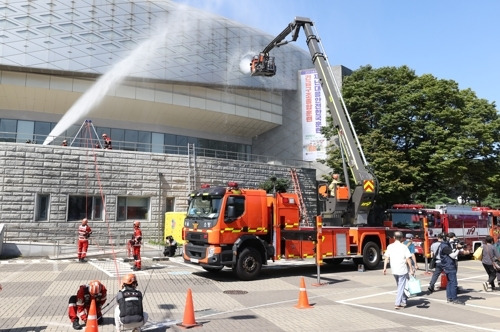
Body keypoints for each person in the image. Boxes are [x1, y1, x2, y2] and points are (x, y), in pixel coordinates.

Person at [383, 231, 415, 309]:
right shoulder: (404, 247)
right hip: (402, 269)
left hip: (394, 269)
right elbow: (408, 258)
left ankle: (404, 300)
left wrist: (384, 268)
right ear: (401, 238)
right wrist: (411, 269)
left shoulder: (390, 246)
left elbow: (386, 257)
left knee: (400, 285)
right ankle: (397, 303)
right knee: (401, 286)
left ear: (394, 238)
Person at [440, 232, 464, 304]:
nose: (449, 239)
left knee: (450, 282)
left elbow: (451, 252)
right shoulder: (445, 246)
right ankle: (454, 299)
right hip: (449, 265)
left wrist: (456, 247)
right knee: (453, 283)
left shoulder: (444, 245)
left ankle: (449, 297)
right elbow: (453, 255)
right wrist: (458, 249)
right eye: (448, 237)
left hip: (447, 265)